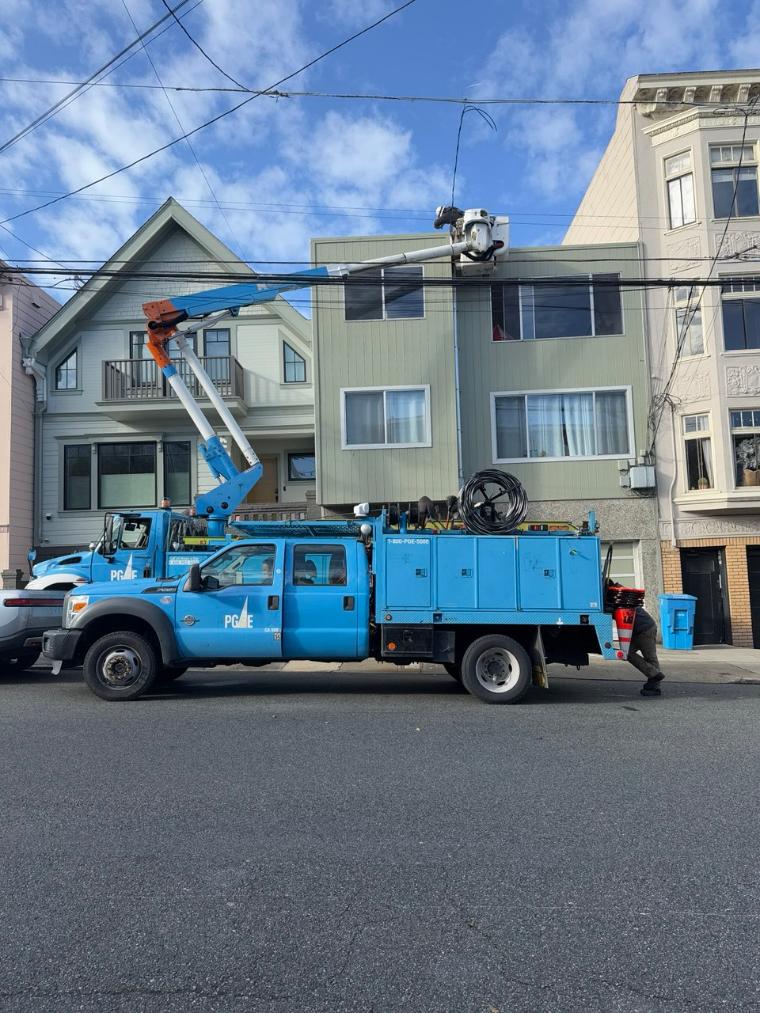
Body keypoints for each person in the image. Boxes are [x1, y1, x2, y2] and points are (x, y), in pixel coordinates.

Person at [628, 604, 666, 696]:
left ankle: (655, 686)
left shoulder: (623, 601)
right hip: (639, 630)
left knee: (650, 658)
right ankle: (655, 676)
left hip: (646, 630)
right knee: (626, 653)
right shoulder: (625, 600)